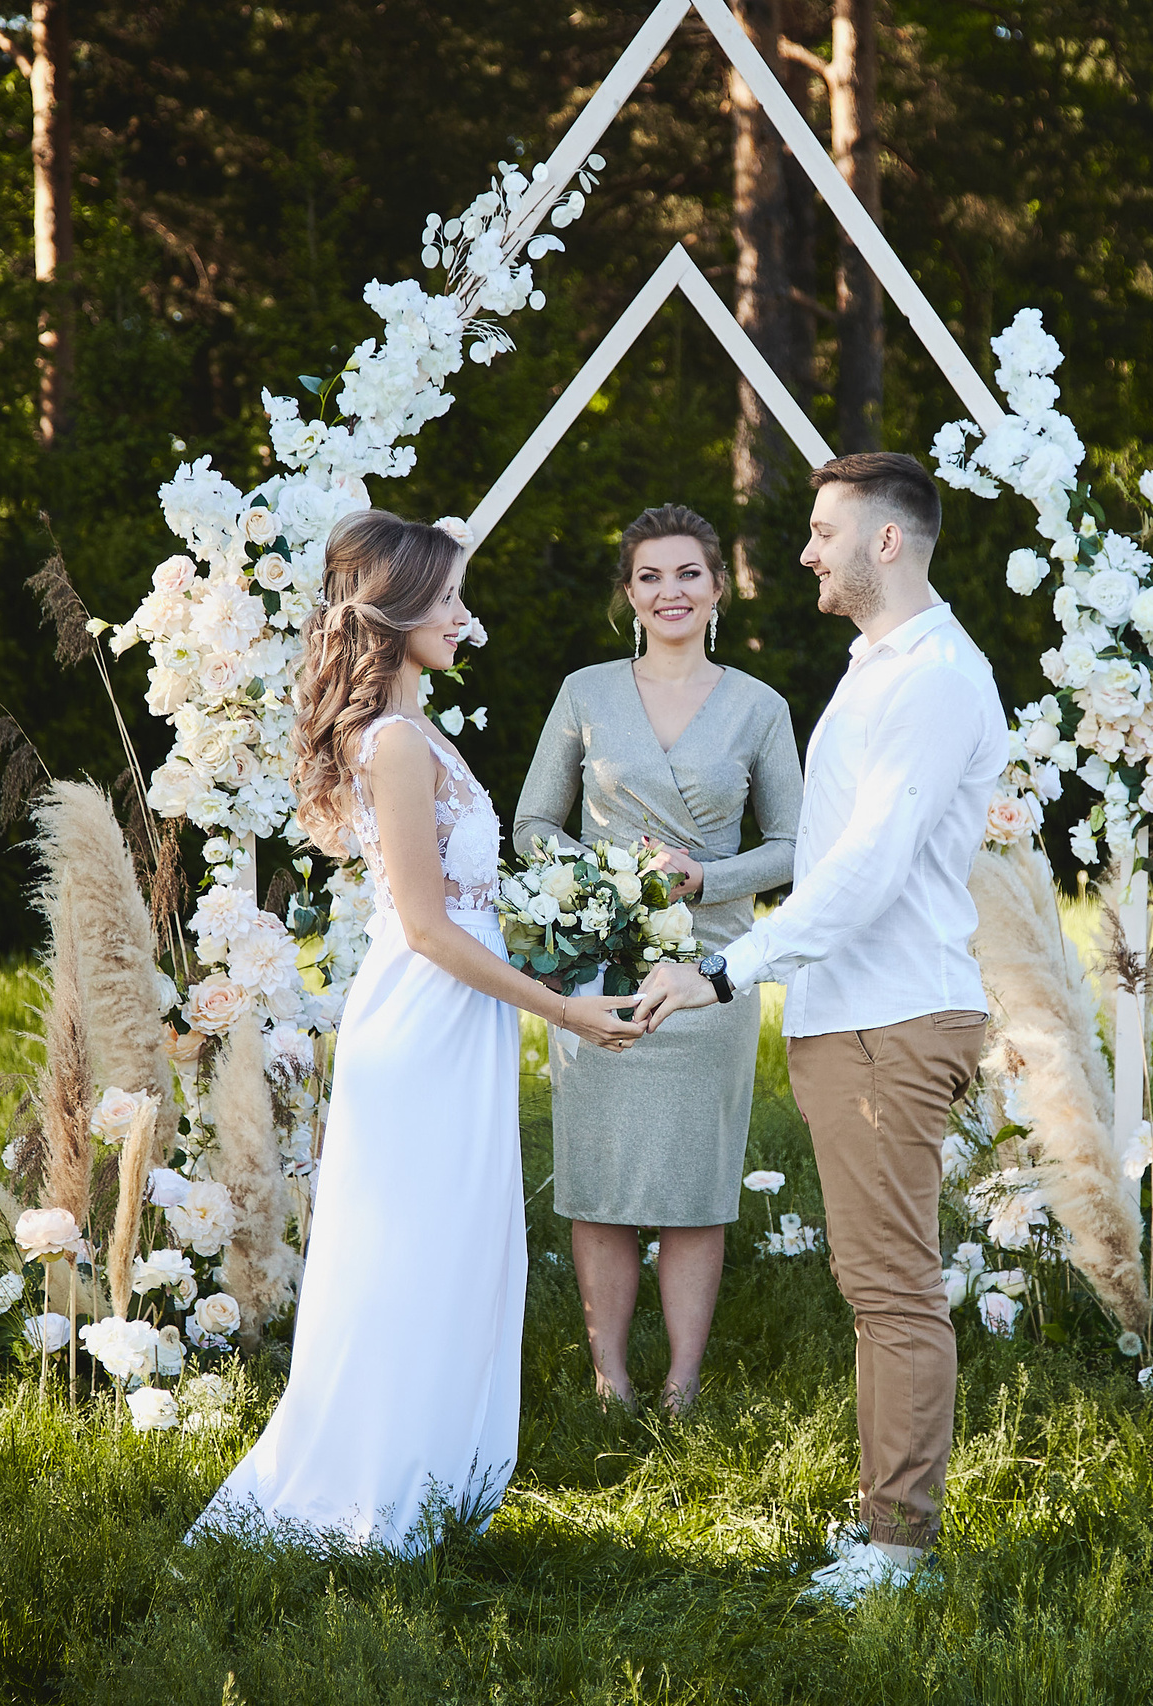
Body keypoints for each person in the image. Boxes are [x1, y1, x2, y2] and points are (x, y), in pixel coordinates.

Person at [191, 510, 644, 1554]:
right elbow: (429, 926)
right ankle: (374, 1487)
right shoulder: (394, 743)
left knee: (462, 1249)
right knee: (411, 1253)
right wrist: (562, 1008)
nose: (463, 615)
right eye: (444, 599)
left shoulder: (422, 730)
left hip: (463, 1020)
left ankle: (438, 1481)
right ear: (390, 614)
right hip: (423, 1021)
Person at [631, 453, 1006, 1599]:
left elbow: (868, 868)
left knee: (892, 1288)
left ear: (885, 540)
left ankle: (901, 1550)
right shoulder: (880, 664)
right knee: (874, 1283)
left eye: (822, 531)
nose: (805, 552)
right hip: (855, 1016)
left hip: (895, 1017)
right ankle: (886, 1523)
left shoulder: (934, 676)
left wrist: (725, 968)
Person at [515, 504, 804, 1413]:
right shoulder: (585, 693)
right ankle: (610, 1380)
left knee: (695, 1185)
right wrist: (605, 879)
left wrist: (706, 876)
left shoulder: (760, 707)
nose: (669, 591)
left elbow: (796, 845)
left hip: (712, 973)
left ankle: (683, 1383)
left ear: (718, 588)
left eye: (688, 574)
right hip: (597, 966)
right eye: (650, 576)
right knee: (598, 1182)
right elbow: (532, 824)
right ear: (629, 594)